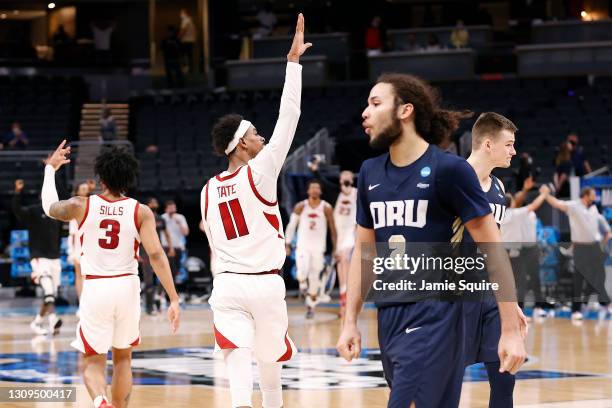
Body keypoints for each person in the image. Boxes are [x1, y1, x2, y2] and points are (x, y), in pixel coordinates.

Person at [336, 73, 527, 408]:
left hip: (438, 313)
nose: (365, 113)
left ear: (405, 111)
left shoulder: (450, 170)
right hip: (391, 313)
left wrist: (509, 326)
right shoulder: (369, 173)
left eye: (375, 103)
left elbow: (493, 251)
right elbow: (365, 255)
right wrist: (349, 321)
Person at [200, 14, 310, 408]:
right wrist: (293, 64)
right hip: (263, 282)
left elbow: (212, 235)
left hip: (227, 283)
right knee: (269, 366)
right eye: (254, 134)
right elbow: (289, 117)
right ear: (241, 145)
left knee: (236, 362)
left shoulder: (208, 188)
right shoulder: (260, 171)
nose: (261, 136)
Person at [41, 141, 180, 408]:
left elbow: (49, 207)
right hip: (127, 287)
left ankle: (100, 402)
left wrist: (50, 169)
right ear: (129, 179)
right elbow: (156, 256)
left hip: (96, 287)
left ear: (100, 176)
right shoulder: (141, 211)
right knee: (123, 358)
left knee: (93, 362)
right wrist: (173, 298)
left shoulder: (81, 205)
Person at [460, 112, 529, 408]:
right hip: (449, 295)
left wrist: (510, 304)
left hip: (487, 294)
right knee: (437, 379)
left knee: (504, 375)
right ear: (488, 144)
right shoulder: (451, 179)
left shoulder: (499, 188)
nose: (513, 151)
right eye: (509, 144)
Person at [544, 186, 611, 320]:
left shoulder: (593, 208)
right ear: (585, 195)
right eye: (593, 194)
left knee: (599, 277)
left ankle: (604, 303)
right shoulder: (574, 206)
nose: (595, 197)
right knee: (578, 279)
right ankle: (576, 310)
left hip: (595, 247)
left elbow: (605, 231)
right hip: (580, 248)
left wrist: (603, 243)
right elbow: (557, 203)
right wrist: (546, 195)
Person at [12, 179, 63, 336]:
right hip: (39, 256)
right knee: (48, 291)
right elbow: (17, 210)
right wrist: (17, 193)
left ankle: (39, 322)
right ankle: (52, 319)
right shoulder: (34, 210)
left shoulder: (58, 214)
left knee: (51, 296)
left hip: (55, 258)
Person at [285, 179, 337, 318]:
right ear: (308, 191)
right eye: (312, 188)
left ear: (320, 191)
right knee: (302, 270)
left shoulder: (326, 207)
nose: (314, 190)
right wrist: (288, 243)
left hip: (319, 248)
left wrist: (335, 248)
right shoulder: (301, 206)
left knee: (315, 278)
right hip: (302, 246)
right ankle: (302, 284)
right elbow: (291, 226)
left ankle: (311, 307)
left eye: (317, 188)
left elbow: (333, 229)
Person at [503, 180, 551, 318]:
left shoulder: (522, 213)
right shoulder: (516, 213)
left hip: (529, 248)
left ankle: (537, 307)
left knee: (534, 279)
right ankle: (518, 310)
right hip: (519, 250)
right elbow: (531, 204)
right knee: (519, 281)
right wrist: (543, 194)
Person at [141, 198, 174, 315]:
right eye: (153, 202)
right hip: (145, 252)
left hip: (159, 251)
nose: (155, 204)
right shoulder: (143, 217)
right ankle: (149, 307)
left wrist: (171, 247)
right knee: (148, 281)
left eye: (156, 202)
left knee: (164, 278)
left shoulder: (161, 219)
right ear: (148, 204)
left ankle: (158, 300)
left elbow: (167, 234)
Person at [333, 171, 357, 319]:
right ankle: (344, 303)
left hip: (351, 234)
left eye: (347, 180)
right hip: (339, 236)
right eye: (342, 180)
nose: (344, 182)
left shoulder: (356, 193)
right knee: (341, 271)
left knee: (345, 262)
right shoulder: (336, 194)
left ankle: (348, 307)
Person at [67, 182, 91, 303]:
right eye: (83, 189)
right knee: (80, 275)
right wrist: (71, 251)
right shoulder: (74, 207)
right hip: (78, 247)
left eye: (86, 189)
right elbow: (72, 234)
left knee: (90, 276)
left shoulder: (93, 204)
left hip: (91, 246)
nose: (85, 191)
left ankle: (90, 302)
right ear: (77, 192)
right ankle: (82, 302)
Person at [160, 200, 188, 282]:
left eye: (173, 207)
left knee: (176, 270)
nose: (172, 209)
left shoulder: (180, 217)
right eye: (170, 208)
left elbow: (185, 233)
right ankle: (163, 293)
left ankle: (169, 292)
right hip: (166, 247)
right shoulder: (162, 218)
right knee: (167, 270)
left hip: (178, 247)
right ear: (166, 209)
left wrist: (179, 223)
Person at [178, 9, 196, 73]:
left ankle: (186, 68)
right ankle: (190, 69)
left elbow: (184, 30)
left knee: (184, 55)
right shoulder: (191, 20)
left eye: (181, 13)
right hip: (191, 40)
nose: (180, 14)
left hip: (186, 40)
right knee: (189, 55)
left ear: (185, 13)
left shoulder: (185, 20)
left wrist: (178, 38)